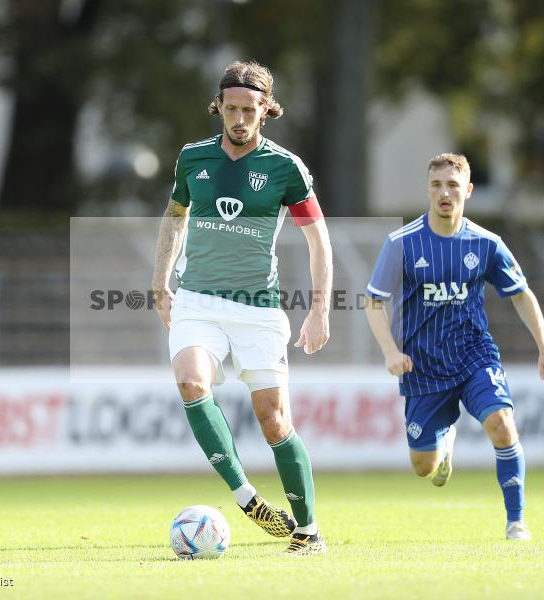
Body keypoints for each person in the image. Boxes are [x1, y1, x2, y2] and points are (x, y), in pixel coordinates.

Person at [152, 60, 332, 556]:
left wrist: (319, 310)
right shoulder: (192, 159)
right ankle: (246, 497)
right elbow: (175, 217)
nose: (239, 118)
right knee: (191, 383)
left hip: (259, 308)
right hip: (197, 300)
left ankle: (308, 530)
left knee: (274, 421)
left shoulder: (286, 168)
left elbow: (319, 242)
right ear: (219, 107)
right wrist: (159, 280)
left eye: (249, 109)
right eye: (230, 108)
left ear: (265, 111)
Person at [364, 153, 544, 541]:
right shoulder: (401, 244)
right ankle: (444, 441)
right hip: (421, 365)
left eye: (453, 185)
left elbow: (521, 294)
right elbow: (374, 301)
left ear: (468, 191)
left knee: (502, 425)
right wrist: (389, 351)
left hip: (474, 355)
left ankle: (516, 522)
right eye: (437, 185)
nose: (445, 193)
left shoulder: (486, 244)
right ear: (428, 189)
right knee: (423, 466)